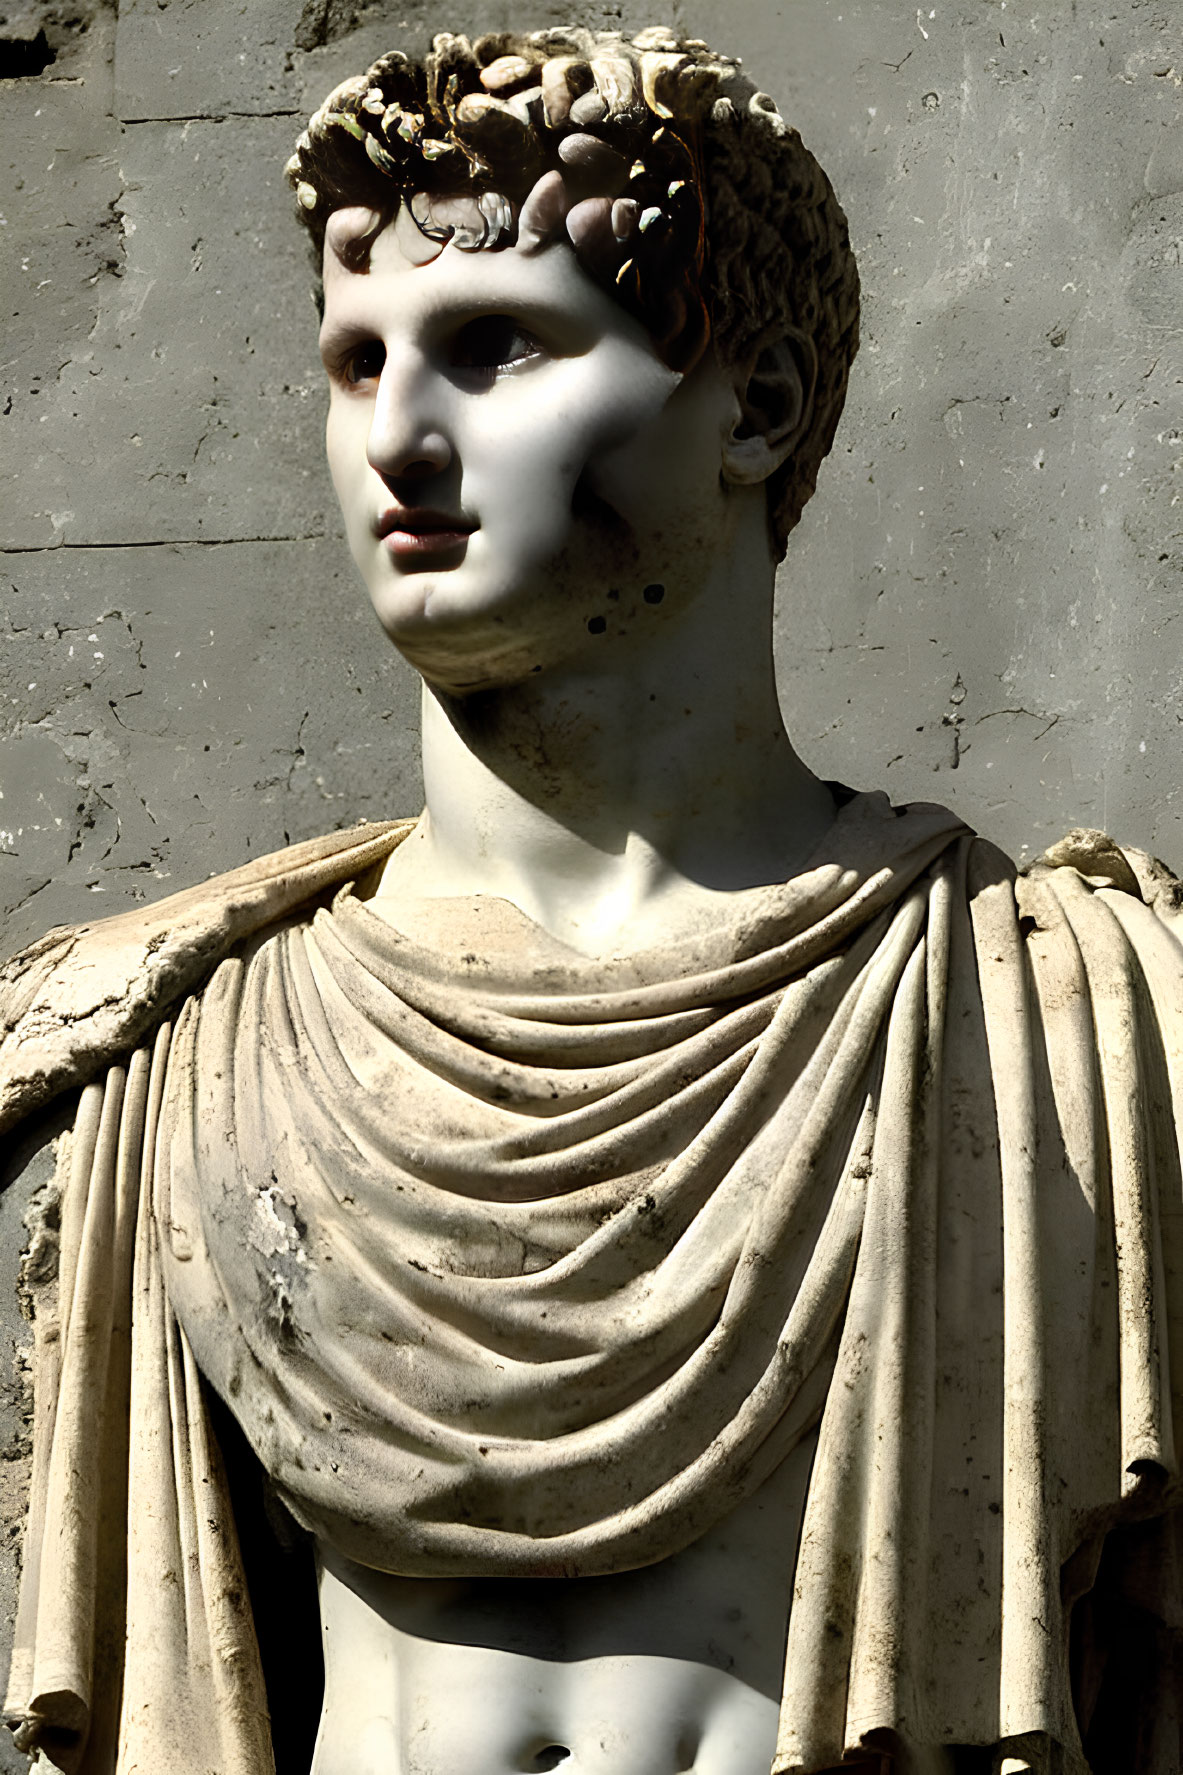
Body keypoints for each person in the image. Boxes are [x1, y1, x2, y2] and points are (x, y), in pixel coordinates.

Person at [2, 24, 1182, 1775]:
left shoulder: (1084, 1021)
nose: (397, 434)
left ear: (757, 410)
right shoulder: (159, 1056)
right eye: (354, 362)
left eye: (495, 348)